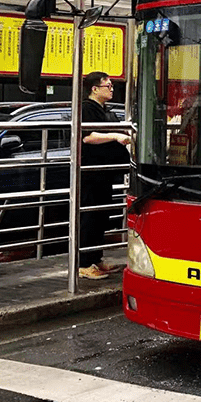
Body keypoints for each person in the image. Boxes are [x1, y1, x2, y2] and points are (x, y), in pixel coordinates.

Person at [79, 72, 130, 280]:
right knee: (90, 215)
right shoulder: (87, 108)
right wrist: (115, 136)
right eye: (107, 86)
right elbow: (88, 137)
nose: (111, 89)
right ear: (94, 89)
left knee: (101, 215)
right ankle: (83, 263)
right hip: (91, 171)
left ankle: (96, 257)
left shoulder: (104, 109)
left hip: (105, 171)